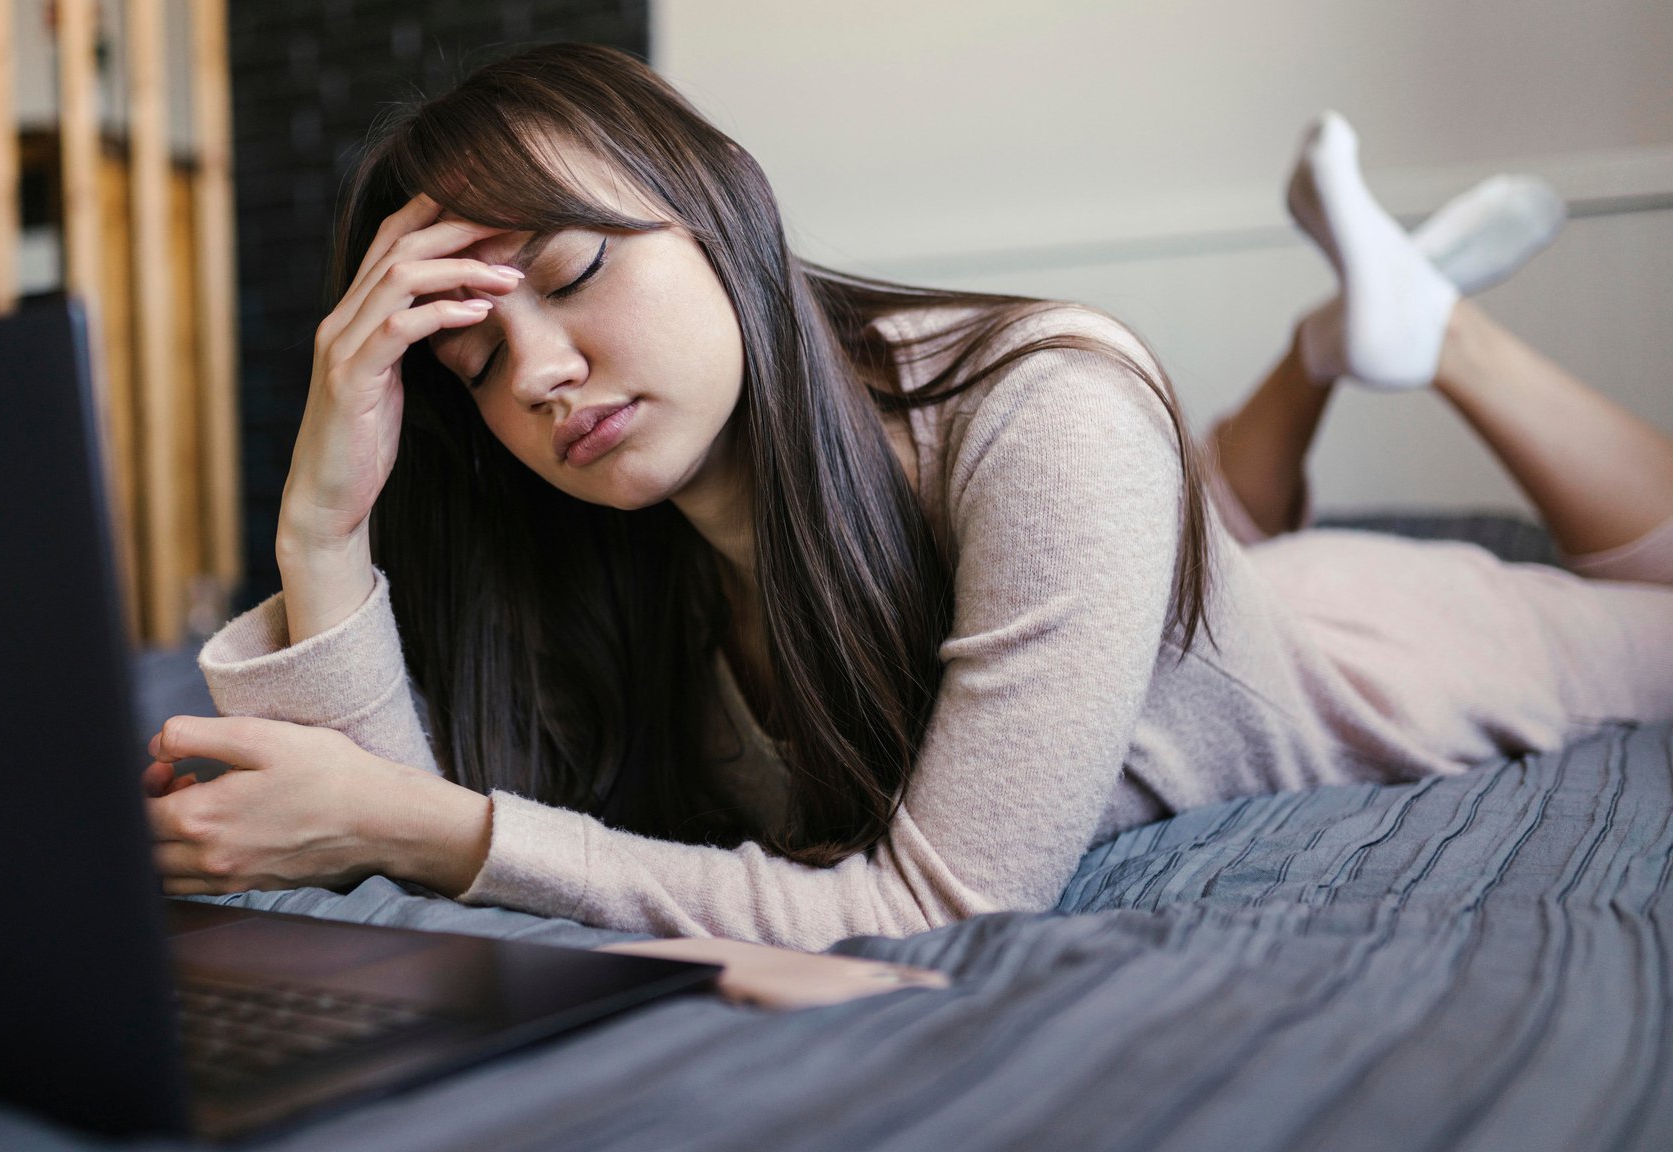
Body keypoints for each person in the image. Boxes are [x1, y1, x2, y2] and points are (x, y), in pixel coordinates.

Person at [140, 44, 1673, 954]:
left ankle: (1428, 335)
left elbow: (938, 905)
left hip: (1391, 651)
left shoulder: (1051, 400)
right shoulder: (600, 534)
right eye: (470, 361)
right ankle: (1335, 345)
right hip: (1188, 609)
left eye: (575, 272)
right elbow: (348, 845)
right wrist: (321, 523)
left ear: (726, 208)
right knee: (1231, 525)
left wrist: (446, 832)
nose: (535, 374)